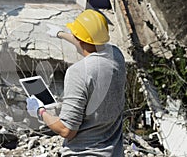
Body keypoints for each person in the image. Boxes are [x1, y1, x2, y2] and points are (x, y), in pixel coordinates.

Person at [26, 9, 126, 156]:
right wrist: (60, 34)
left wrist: (39, 112)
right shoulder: (116, 56)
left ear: (79, 39)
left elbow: (66, 130)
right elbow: (89, 42)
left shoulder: (79, 72)